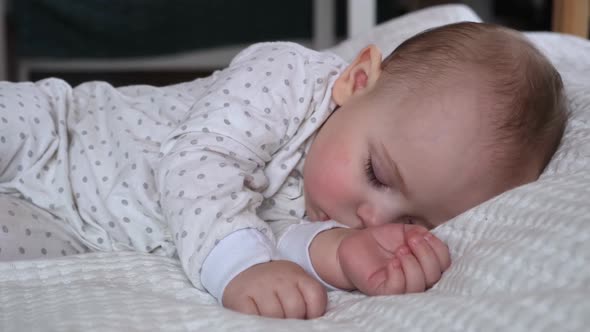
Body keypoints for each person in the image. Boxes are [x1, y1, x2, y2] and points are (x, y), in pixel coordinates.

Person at [0, 22, 566, 319]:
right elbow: (198, 164)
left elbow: (283, 237)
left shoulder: (339, 203)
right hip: (56, 135)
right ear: (357, 82)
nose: (373, 216)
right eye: (377, 173)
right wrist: (239, 268)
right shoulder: (286, 78)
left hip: (78, 228)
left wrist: (350, 256)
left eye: (416, 217)